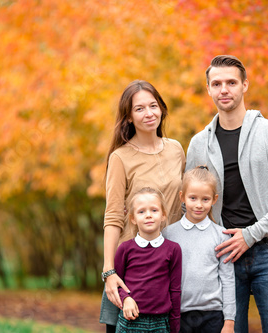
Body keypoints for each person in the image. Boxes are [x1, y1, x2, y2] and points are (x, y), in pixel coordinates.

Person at [185, 55, 268, 333]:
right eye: (217, 83)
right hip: (223, 256)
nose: (224, 89)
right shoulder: (198, 144)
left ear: (245, 86)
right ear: (209, 89)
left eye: (231, 82)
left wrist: (250, 234)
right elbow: (190, 204)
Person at [99, 80, 186, 332]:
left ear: (162, 109)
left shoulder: (176, 150)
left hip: (168, 260)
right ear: (128, 116)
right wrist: (109, 272)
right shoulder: (120, 158)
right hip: (133, 265)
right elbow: (113, 217)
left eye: (153, 106)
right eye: (139, 109)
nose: (149, 113)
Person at [163, 166, 235, 333]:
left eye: (205, 199)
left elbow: (228, 279)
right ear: (182, 197)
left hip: (213, 316)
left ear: (214, 199)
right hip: (177, 314)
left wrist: (229, 322)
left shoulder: (221, 236)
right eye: (193, 198)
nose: (199, 205)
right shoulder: (168, 234)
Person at [114, 187, 182, 333]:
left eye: (154, 210)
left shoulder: (173, 249)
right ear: (133, 218)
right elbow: (116, 283)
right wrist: (125, 299)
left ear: (163, 215)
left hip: (161, 323)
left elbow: (175, 290)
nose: (148, 215)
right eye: (141, 211)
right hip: (130, 321)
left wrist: (175, 326)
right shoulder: (125, 249)